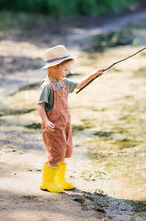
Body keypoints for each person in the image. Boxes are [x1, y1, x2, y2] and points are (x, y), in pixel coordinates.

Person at [37, 45, 104, 193]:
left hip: (65, 124)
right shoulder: (47, 86)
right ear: (54, 67)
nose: (67, 73)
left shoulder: (63, 82)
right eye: (65, 70)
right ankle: (47, 181)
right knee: (55, 154)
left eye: (68, 70)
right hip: (53, 126)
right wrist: (46, 121)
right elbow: (40, 106)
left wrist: (93, 74)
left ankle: (60, 179)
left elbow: (79, 85)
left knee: (64, 151)